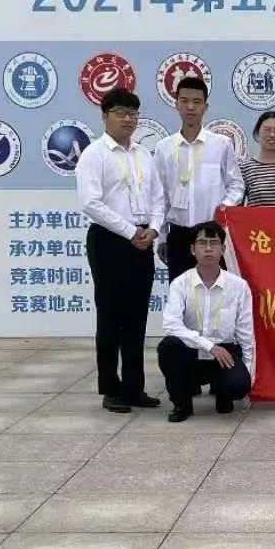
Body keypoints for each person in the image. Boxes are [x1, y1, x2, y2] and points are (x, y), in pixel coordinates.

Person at [75, 88, 165, 414]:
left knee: (137, 316)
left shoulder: (143, 154)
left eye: (133, 113)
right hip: (109, 241)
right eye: (121, 113)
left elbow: (158, 198)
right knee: (111, 316)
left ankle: (134, 387)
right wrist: (130, 231)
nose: (128, 119)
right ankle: (111, 389)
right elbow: (91, 203)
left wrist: (154, 229)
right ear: (105, 116)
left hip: (143, 241)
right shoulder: (94, 154)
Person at [157, 221, 254, 422]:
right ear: (193, 250)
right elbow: (171, 325)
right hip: (192, 351)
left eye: (214, 243)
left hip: (225, 353)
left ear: (223, 249)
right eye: (202, 243)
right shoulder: (180, 284)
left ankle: (224, 394)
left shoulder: (239, 286)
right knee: (168, 346)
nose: (208, 248)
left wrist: (248, 375)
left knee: (238, 384)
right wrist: (209, 346)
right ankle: (182, 404)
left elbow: (246, 335)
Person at [153, 76, 244, 282]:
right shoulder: (164, 148)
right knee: (181, 295)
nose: (190, 107)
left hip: (212, 233)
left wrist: (222, 209)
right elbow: (159, 196)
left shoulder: (221, 144)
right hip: (179, 235)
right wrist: (163, 237)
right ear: (176, 104)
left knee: (216, 293)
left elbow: (236, 185)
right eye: (184, 101)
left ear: (205, 107)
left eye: (197, 102)